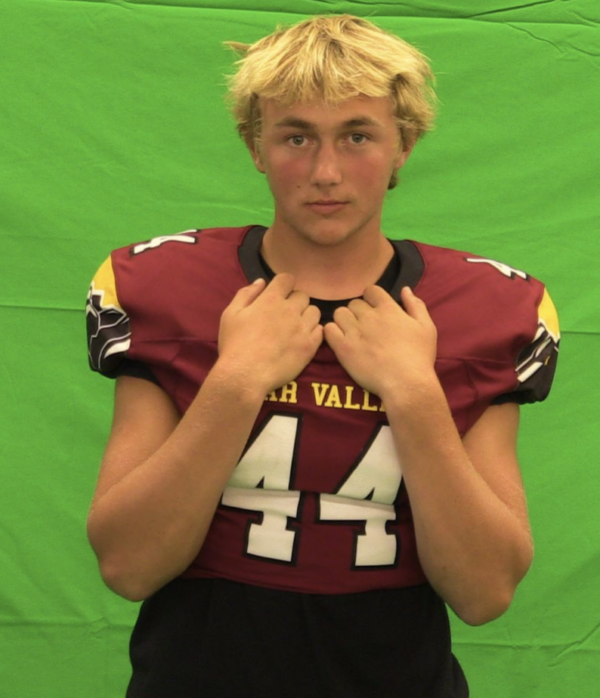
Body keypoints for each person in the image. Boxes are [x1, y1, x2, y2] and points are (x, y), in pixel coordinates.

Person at [85, 14, 560, 698]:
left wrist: (414, 393)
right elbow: (128, 566)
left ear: (404, 144)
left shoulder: (484, 308)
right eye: (296, 136)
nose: (325, 172)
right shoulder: (166, 286)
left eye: (357, 136)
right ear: (255, 144)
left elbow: (485, 593)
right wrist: (237, 380)